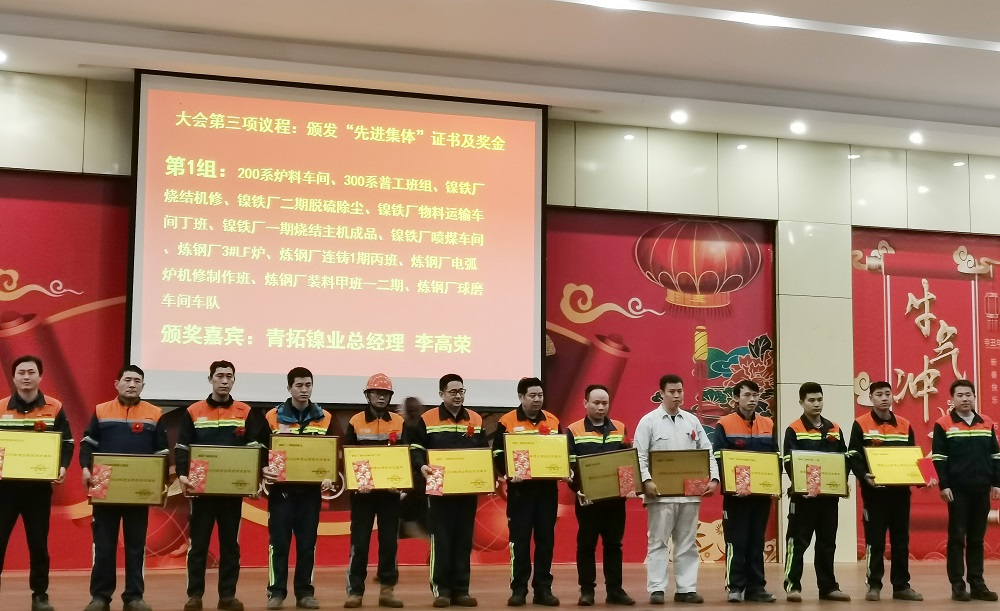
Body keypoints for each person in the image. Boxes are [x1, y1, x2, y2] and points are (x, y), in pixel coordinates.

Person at [80, 365, 169, 611]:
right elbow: (88, 443)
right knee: (104, 545)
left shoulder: (154, 413)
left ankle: (134, 597)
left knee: (136, 546)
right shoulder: (101, 411)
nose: (132, 384)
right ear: (117, 383)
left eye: (137, 381)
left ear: (143, 386)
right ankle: (100, 597)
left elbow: (162, 452)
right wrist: (85, 468)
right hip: (105, 488)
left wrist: (160, 482)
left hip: (138, 491)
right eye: (127, 380)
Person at [175, 361, 262, 611]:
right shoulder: (193, 411)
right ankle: (195, 596)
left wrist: (253, 479)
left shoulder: (245, 411)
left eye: (229, 376)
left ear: (234, 380)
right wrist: (182, 475)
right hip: (201, 492)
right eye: (219, 376)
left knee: (230, 546)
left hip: (232, 493)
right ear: (210, 379)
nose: (224, 381)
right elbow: (182, 447)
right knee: (198, 546)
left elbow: (254, 447)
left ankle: (227, 596)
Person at [634, 374, 718, 605]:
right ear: (661, 393)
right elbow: (639, 455)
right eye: (672, 391)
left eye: (680, 391)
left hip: (689, 495)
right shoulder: (648, 421)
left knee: (687, 543)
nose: (677, 395)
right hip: (659, 495)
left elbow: (707, 452)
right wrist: (646, 481)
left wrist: (714, 479)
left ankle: (686, 589)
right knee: (658, 542)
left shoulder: (692, 421)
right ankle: (657, 589)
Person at [0, 356, 73, 611]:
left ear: (40, 376)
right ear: (14, 377)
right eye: (21, 372)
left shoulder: (55, 407)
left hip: (38, 491)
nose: (26, 377)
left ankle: (40, 595)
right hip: (5, 490)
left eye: (32, 372)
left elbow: (67, 443)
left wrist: (61, 467)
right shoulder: (1, 407)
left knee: (39, 545)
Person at [409, 374, 488, 608]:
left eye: (461, 391)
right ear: (441, 394)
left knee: (464, 540)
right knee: (441, 539)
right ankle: (441, 590)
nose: (458, 396)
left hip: (467, 490)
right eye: (453, 392)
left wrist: (484, 478)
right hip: (439, 489)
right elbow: (415, 448)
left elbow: (483, 452)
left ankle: (461, 590)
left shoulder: (475, 419)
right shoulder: (428, 419)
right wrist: (421, 465)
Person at [260, 367, 335, 610]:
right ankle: (276, 592)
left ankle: (304, 593)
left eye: (308, 385)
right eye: (299, 385)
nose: (304, 390)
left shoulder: (325, 417)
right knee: (279, 545)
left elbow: (333, 455)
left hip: (310, 495)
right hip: (281, 494)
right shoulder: (272, 417)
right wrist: (263, 469)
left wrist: (329, 475)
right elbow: (261, 451)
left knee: (307, 546)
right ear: (289, 388)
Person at [846, 380, 923, 602]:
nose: (884, 398)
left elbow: (914, 456)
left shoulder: (905, 425)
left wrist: (922, 476)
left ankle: (901, 586)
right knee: (875, 540)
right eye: (879, 394)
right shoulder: (860, 424)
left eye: (887, 394)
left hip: (900, 494)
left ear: (892, 396)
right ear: (871, 398)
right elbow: (853, 455)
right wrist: (864, 475)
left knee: (901, 540)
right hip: (874, 494)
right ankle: (874, 585)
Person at [492, 377, 561, 607]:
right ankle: (518, 589)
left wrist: (562, 469)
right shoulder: (507, 421)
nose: (537, 399)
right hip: (520, 493)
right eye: (532, 395)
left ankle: (543, 589)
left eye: (540, 395)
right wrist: (508, 472)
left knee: (545, 541)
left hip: (547, 492)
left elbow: (561, 452)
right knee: (519, 542)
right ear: (521, 397)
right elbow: (497, 453)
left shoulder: (553, 421)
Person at [566, 384, 635, 607]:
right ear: (585, 403)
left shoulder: (619, 428)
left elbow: (627, 461)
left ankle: (615, 590)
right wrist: (578, 489)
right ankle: (587, 591)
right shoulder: (574, 430)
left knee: (614, 545)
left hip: (615, 501)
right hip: (588, 500)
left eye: (605, 403)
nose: (601, 407)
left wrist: (628, 486)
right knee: (586, 545)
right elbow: (569, 465)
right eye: (596, 402)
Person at [931, 379, 1000, 602]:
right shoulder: (943, 424)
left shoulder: (986, 423)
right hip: (957, 491)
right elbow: (939, 458)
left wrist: (997, 483)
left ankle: (978, 584)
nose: (965, 399)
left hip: (981, 489)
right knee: (957, 538)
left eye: (968, 394)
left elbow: (996, 456)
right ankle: (958, 586)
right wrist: (944, 485)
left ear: (974, 397)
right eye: (960, 395)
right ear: (952, 399)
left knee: (977, 539)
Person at [781, 382, 850, 602]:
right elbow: (789, 461)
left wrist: (841, 483)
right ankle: (792, 586)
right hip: (803, 498)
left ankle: (828, 587)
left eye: (819, 399)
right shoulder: (793, 429)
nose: (816, 404)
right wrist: (803, 486)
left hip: (828, 499)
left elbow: (844, 458)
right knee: (797, 543)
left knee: (827, 543)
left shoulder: (834, 428)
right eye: (811, 400)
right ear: (801, 402)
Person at [343, 373, 407, 609]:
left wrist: (400, 480)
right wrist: (358, 483)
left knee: (389, 543)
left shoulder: (399, 422)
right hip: (363, 495)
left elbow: (405, 454)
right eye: (377, 393)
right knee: (359, 544)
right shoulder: (356, 421)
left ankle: (387, 591)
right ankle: (355, 592)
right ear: (367, 395)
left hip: (390, 494)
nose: (381, 397)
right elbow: (348, 456)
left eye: (386, 394)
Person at [712, 380, 777, 603]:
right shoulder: (724, 424)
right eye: (747, 395)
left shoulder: (768, 424)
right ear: (736, 398)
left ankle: (756, 588)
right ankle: (735, 587)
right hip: (736, 498)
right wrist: (733, 485)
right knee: (736, 542)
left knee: (757, 542)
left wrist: (774, 486)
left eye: (755, 395)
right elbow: (719, 458)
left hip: (761, 496)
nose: (752, 399)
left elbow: (774, 458)